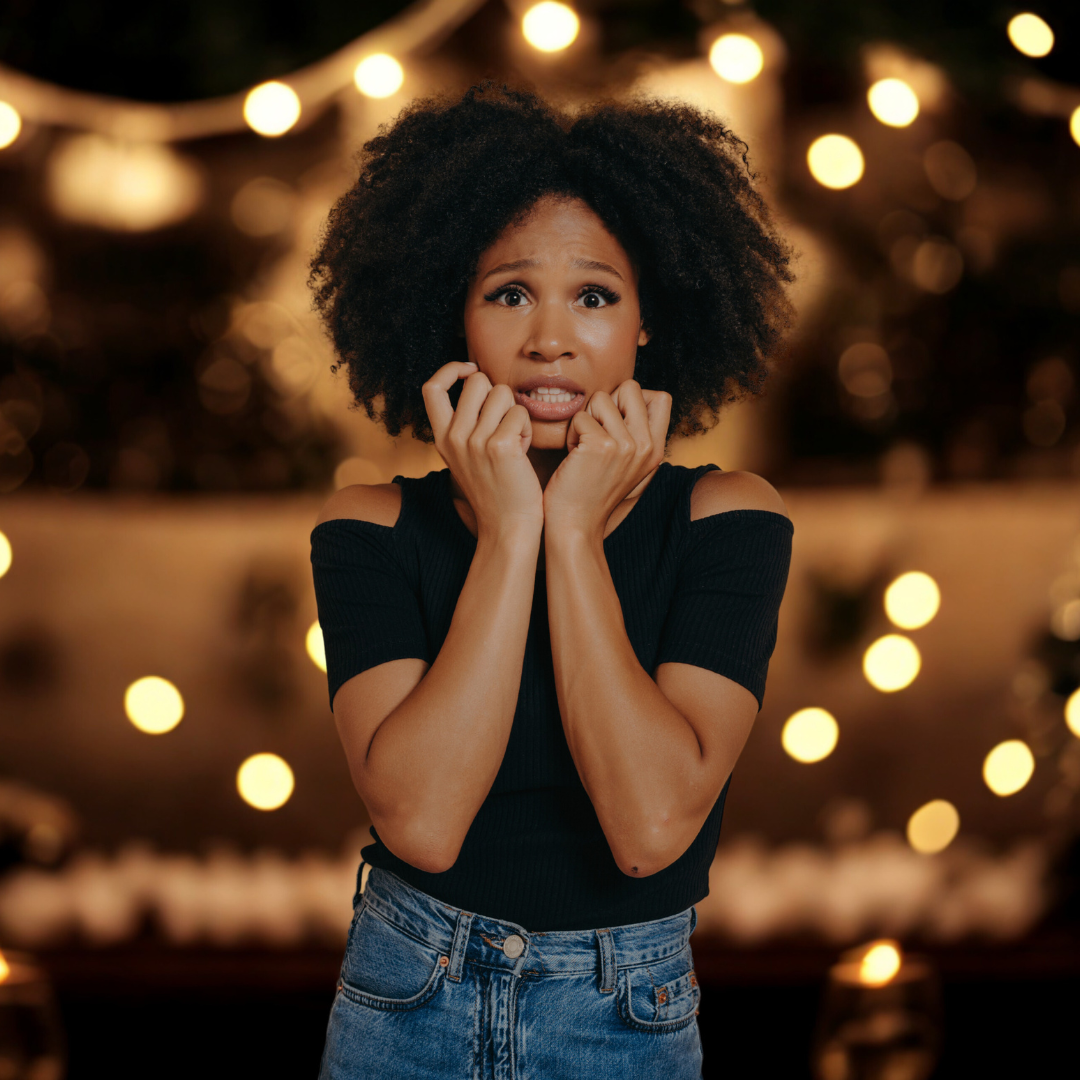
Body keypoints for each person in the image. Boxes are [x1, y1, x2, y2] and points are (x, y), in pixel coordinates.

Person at [308, 82, 795, 1079]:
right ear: (453, 311)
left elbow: (650, 829)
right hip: (404, 1000)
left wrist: (570, 532)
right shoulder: (366, 526)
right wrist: (510, 533)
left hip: (625, 1011)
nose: (550, 341)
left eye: (595, 296)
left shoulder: (731, 518)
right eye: (510, 292)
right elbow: (424, 825)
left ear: (650, 318)